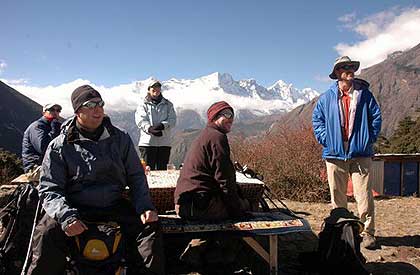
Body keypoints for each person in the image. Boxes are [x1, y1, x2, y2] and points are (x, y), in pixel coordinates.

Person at [27, 85, 165, 274]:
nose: (98, 109)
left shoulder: (120, 139)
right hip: (75, 206)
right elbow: (50, 188)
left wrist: (145, 206)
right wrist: (66, 216)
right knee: (46, 233)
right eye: (90, 105)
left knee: (149, 228)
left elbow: (136, 176)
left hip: (113, 204)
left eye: (100, 104)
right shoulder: (60, 145)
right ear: (77, 111)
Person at [312, 56, 382, 249]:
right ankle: (341, 232)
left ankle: (367, 233)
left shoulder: (364, 95)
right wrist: (327, 139)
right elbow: (317, 120)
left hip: (360, 152)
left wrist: (368, 139)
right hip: (334, 153)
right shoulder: (326, 98)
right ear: (336, 73)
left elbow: (375, 117)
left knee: (364, 194)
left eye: (351, 66)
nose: (349, 69)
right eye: (344, 67)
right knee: (337, 195)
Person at [174, 101, 249, 221]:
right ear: (215, 116)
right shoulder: (217, 137)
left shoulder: (206, 135)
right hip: (199, 205)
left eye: (232, 115)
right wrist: (237, 210)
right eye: (227, 114)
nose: (231, 119)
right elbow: (224, 177)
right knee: (246, 205)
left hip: (185, 204)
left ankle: (211, 239)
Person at [135, 79, 176, 170]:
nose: (156, 89)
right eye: (153, 87)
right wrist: (149, 129)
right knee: (147, 171)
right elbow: (140, 120)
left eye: (158, 87)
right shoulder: (143, 105)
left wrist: (162, 125)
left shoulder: (168, 104)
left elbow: (173, 120)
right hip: (147, 143)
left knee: (163, 172)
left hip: (164, 143)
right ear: (149, 89)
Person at [22, 103, 63, 174]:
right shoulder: (37, 126)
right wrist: (55, 129)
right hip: (35, 167)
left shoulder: (54, 126)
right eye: (52, 110)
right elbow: (43, 148)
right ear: (44, 112)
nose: (55, 112)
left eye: (58, 110)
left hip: (48, 164)